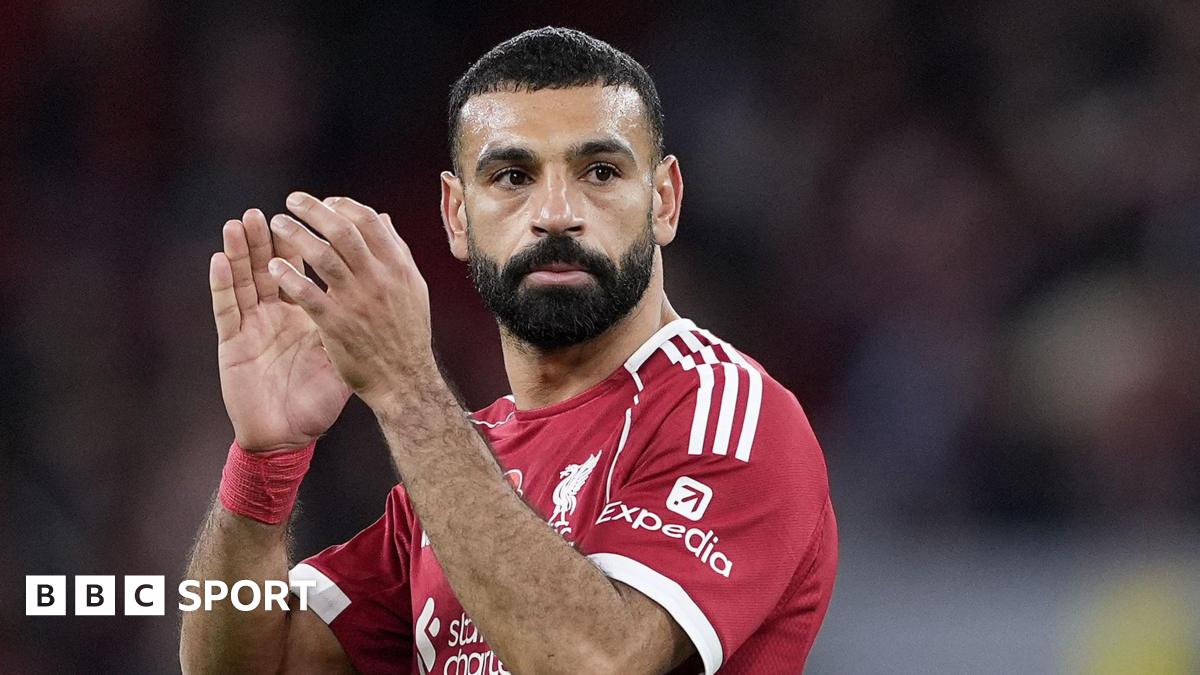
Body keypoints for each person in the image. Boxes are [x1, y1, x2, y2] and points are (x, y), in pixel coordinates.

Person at [179, 26, 837, 675]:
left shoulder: (731, 416)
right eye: (513, 175)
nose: (555, 212)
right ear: (457, 215)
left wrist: (407, 386)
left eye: (600, 171)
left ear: (663, 201)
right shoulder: (455, 471)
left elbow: (591, 663)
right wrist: (265, 464)